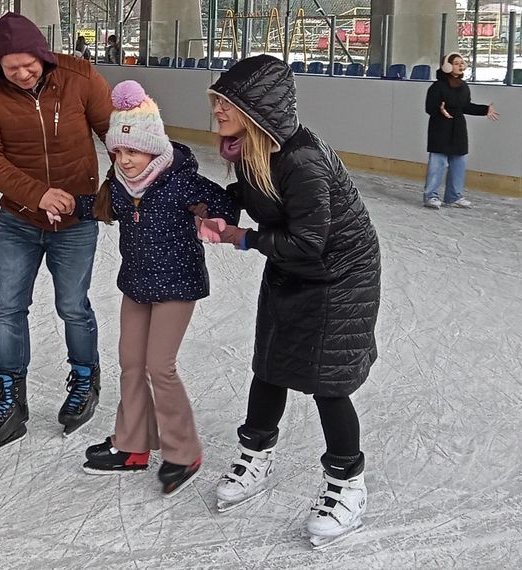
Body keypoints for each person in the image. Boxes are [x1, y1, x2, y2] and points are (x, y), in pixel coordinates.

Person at [203, 54, 381, 549]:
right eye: (216, 99)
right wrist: (209, 203)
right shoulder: (254, 147)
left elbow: (309, 241)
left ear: (257, 107)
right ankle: (256, 454)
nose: (216, 109)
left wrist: (240, 237)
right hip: (294, 265)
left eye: (226, 101)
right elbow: (257, 192)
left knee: (326, 378)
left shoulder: (301, 158)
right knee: (271, 363)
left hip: (340, 273)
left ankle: (348, 484)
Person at [78, 80, 238, 496]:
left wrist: (215, 221)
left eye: (133, 151)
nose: (125, 160)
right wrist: (61, 201)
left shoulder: (180, 182)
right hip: (136, 284)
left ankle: (184, 452)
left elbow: (225, 204)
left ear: (153, 148)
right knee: (131, 362)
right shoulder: (117, 186)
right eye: (117, 152)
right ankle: (132, 446)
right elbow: (97, 208)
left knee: (159, 366)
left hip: (177, 286)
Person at [0, 12, 114, 455]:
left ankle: (85, 377)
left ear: (43, 56)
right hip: (18, 220)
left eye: (29, 64)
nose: (23, 73)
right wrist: (37, 195)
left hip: (77, 220)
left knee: (73, 306)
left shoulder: (79, 76)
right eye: (11, 68)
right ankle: (10, 398)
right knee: (9, 307)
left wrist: (111, 192)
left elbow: (118, 133)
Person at [423, 52, 499, 209]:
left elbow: (466, 106)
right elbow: (429, 107)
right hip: (440, 128)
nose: (460, 65)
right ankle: (431, 195)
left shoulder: (463, 86)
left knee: (458, 162)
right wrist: (440, 111)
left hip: (458, 128)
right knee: (438, 163)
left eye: (461, 63)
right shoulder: (437, 87)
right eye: (456, 63)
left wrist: (485, 110)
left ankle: (453, 196)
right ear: (447, 66)